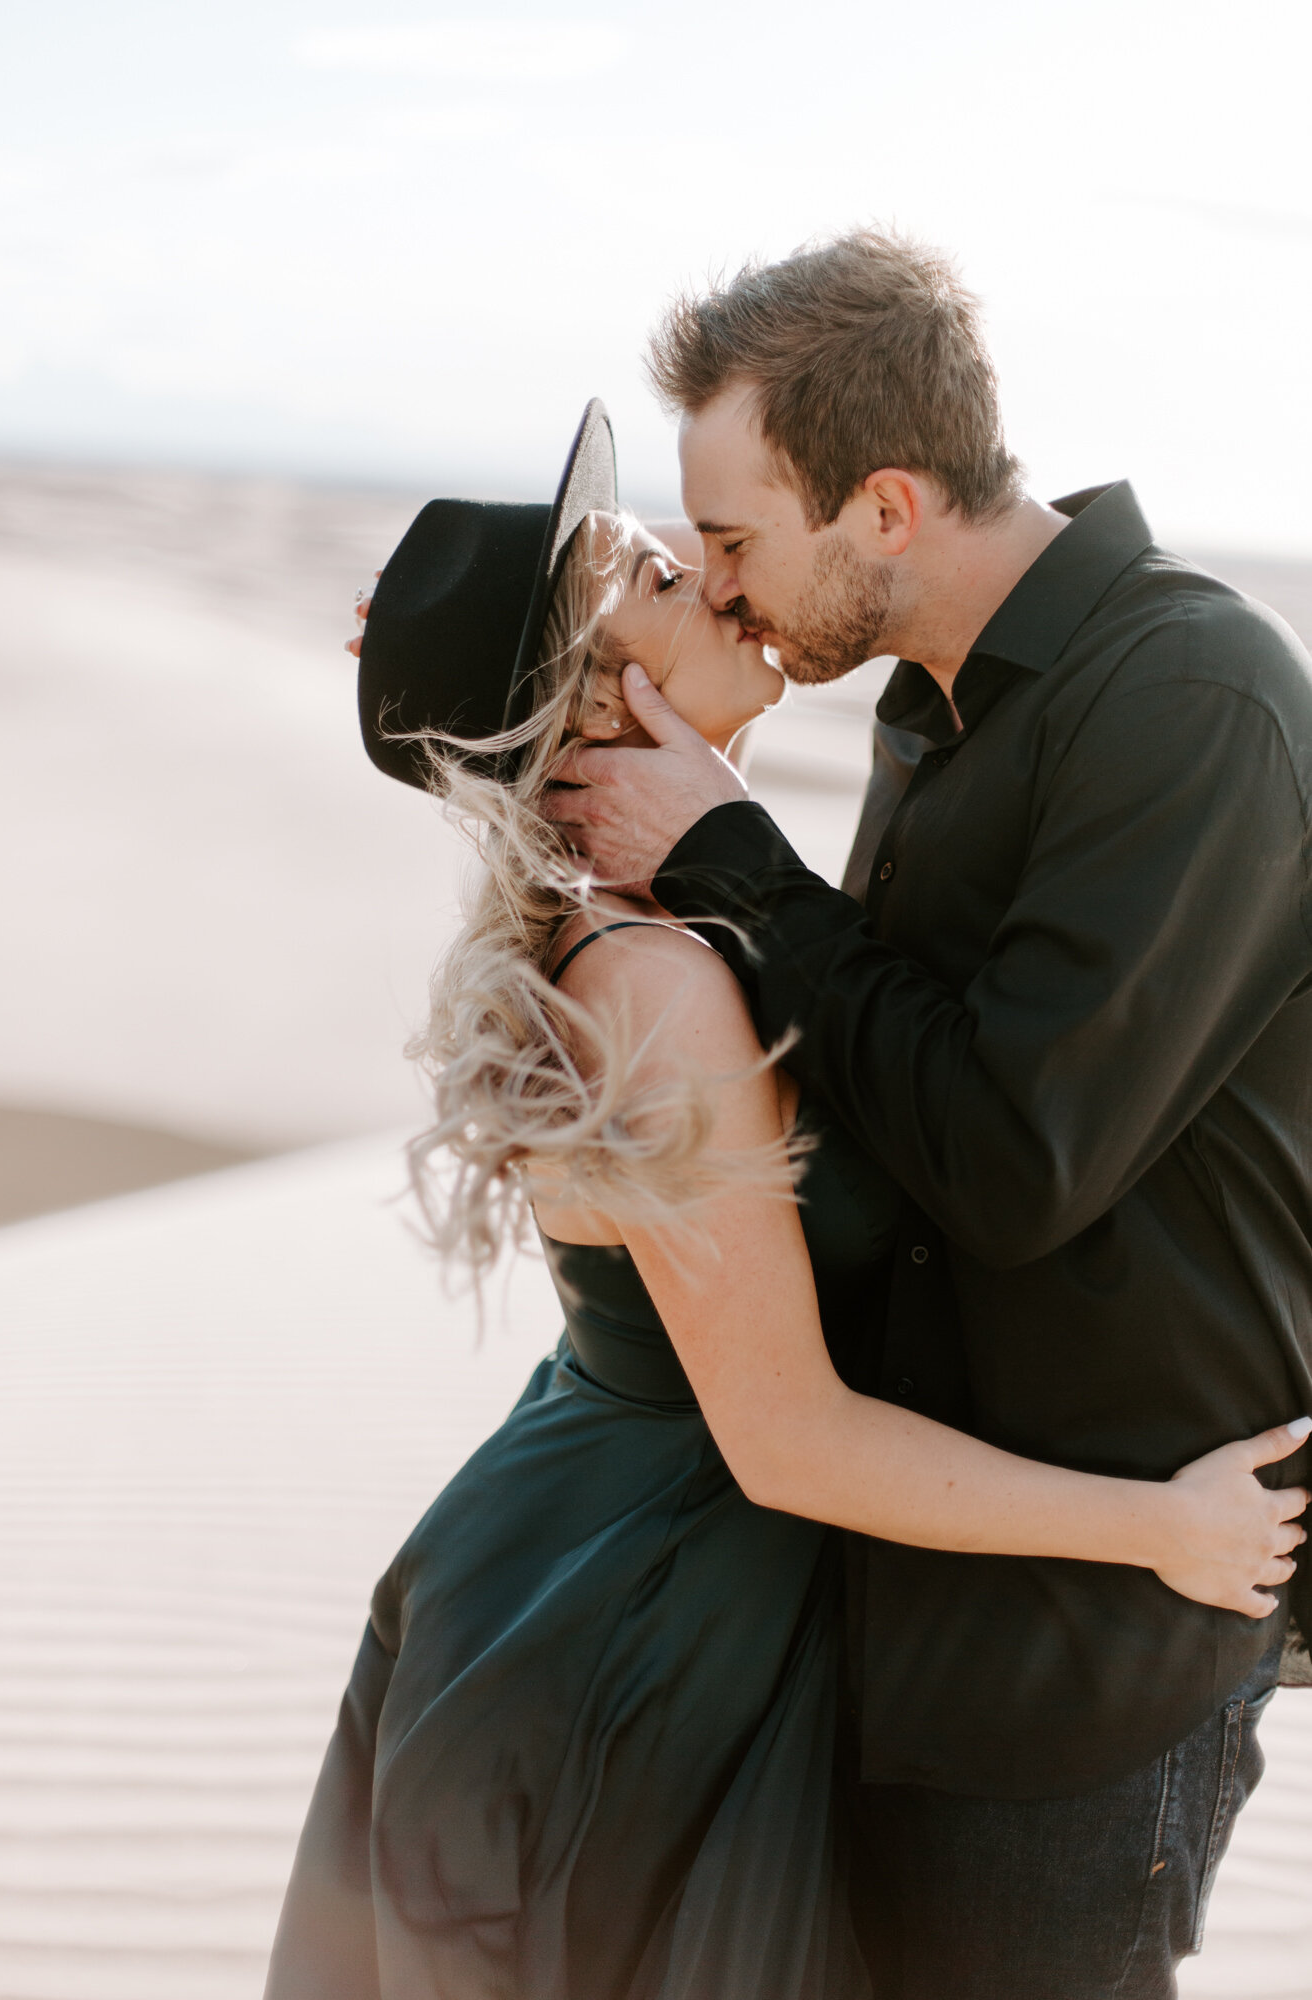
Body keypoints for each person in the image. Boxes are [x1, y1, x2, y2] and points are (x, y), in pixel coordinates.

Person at [262, 403, 1309, 2000]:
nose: (713, 578)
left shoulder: (668, 926)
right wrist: (1160, 1529)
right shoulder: (656, 986)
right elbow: (786, 1436)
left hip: (655, 1563)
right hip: (643, 1616)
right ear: (599, 697)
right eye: (663, 580)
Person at [543, 234, 1312, 1997]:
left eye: (734, 542)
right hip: (904, 1599)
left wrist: (730, 855)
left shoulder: (1187, 698)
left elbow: (1010, 1162)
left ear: (883, 507)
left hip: (1093, 1642)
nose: (722, 591)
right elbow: (879, 1078)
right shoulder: (930, 710)